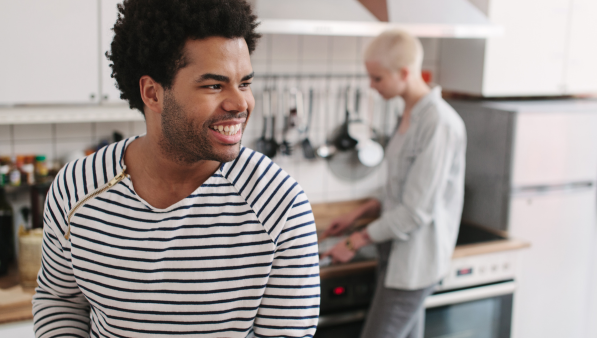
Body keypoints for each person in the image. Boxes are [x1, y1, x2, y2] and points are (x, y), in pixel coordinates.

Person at [32, 1, 319, 337]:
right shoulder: (77, 188)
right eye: (214, 85)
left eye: (244, 83)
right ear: (153, 93)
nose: (240, 104)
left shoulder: (280, 204)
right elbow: (59, 300)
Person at [321, 30, 467, 338]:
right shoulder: (410, 114)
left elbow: (416, 210)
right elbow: (401, 186)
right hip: (396, 254)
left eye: (377, 79)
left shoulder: (438, 123)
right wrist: (359, 212)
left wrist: (354, 241)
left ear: (404, 73)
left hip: (415, 262)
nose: (371, 87)